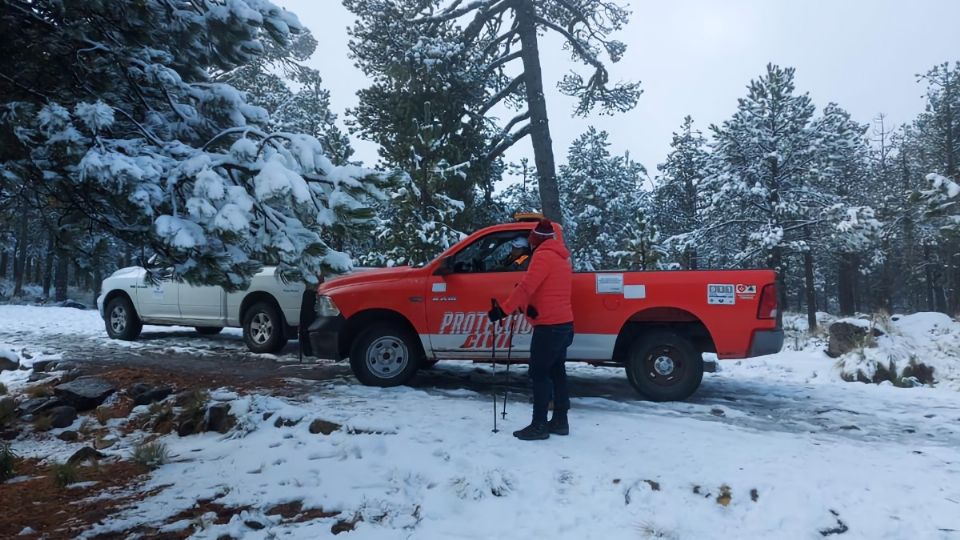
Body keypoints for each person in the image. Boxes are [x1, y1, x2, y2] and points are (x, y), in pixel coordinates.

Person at [488, 219, 574, 441]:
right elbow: (548, 291)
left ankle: (539, 425)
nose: (530, 241)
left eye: (532, 237)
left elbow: (527, 287)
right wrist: (530, 309)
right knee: (557, 372)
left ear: (538, 238)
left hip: (549, 327)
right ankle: (560, 421)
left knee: (539, 374)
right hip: (563, 324)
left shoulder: (543, 256)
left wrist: (503, 310)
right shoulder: (561, 257)